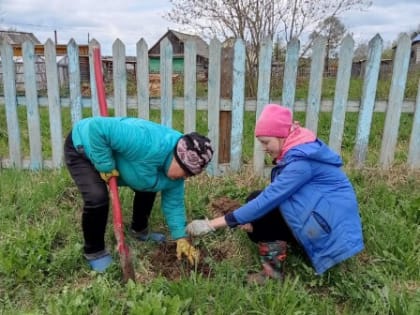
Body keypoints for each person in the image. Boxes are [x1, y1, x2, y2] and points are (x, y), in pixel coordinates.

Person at [187, 104, 364, 282]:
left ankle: (272, 274)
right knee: (254, 201)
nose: (264, 148)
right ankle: (288, 246)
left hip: (331, 232)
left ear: (282, 135)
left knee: (261, 215)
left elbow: (268, 200)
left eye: (266, 142)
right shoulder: (300, 150)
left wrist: (211, 225)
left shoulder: (301, 163)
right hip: (323, 218)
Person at [64, 116, 213, 272]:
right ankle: (95, 251)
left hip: (127, 164)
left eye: (190, 175)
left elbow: (174, 204)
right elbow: (97, 128)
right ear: (178, 158)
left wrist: (180, 237)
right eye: (186, 172)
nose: (185, 178)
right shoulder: (144, 142)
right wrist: (105, 165)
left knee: (149, 185)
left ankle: (139, 230)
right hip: (85, 149)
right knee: (97, 198)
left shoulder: (176, 176)